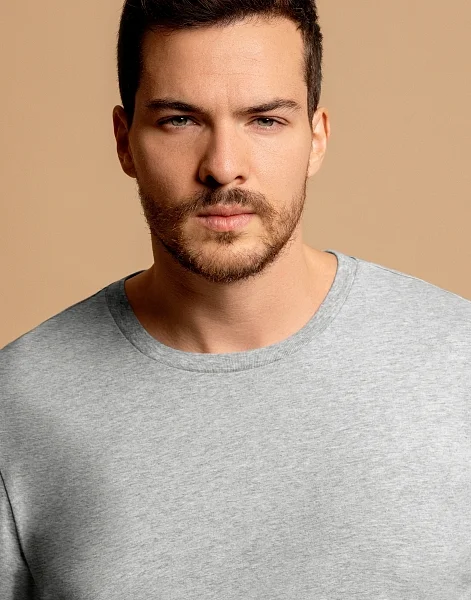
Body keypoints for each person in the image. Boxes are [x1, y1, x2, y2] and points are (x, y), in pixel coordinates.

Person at [1, 0, 470, 598]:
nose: (223, 167)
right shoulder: (18, 402)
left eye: (265, 120)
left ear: (316, 137)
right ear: (124, 142)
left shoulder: (459, 364)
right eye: (179, 120)